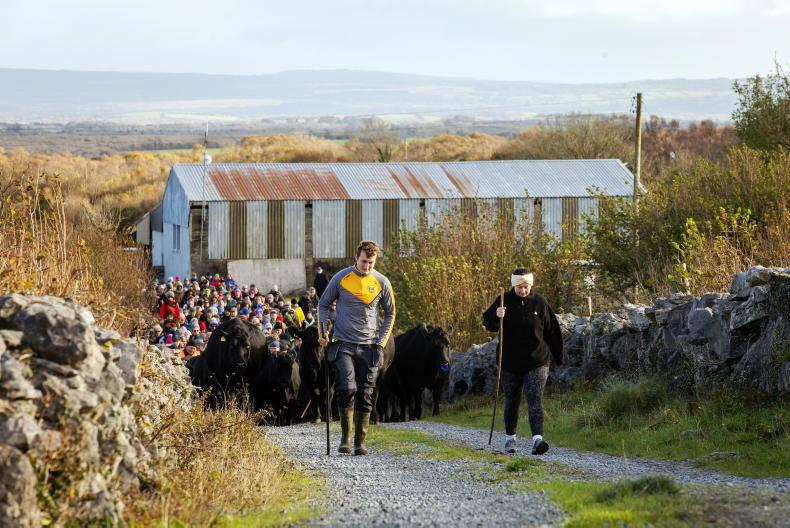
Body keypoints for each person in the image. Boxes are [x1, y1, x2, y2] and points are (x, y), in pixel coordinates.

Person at [318, 240, 395, 456]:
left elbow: (390, 314)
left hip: (370, 346)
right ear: (356, 257)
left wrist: (380, 342)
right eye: (364, 261)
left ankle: (360, 441)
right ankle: (346, 437)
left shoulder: (382, 282)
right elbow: (323, 304)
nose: (367, 266)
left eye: (371, 263)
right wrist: (323, 332)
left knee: (366, 392)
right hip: (343, 343)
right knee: (347, 388)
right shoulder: (341, 278)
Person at [482, 268, 563, 455]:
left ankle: (538, 440)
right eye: (519, 287)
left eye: (526, 287)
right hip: (509, 362)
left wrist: (558, 357)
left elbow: (552, 331)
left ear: (531, 285)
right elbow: (488, 323)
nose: (523, 291)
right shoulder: (504, 300)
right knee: (512, 400)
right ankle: (510, 439)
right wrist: (496, 315)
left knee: (535, 399)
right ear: (514, 285)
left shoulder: (540, 302)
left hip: (537, 361)